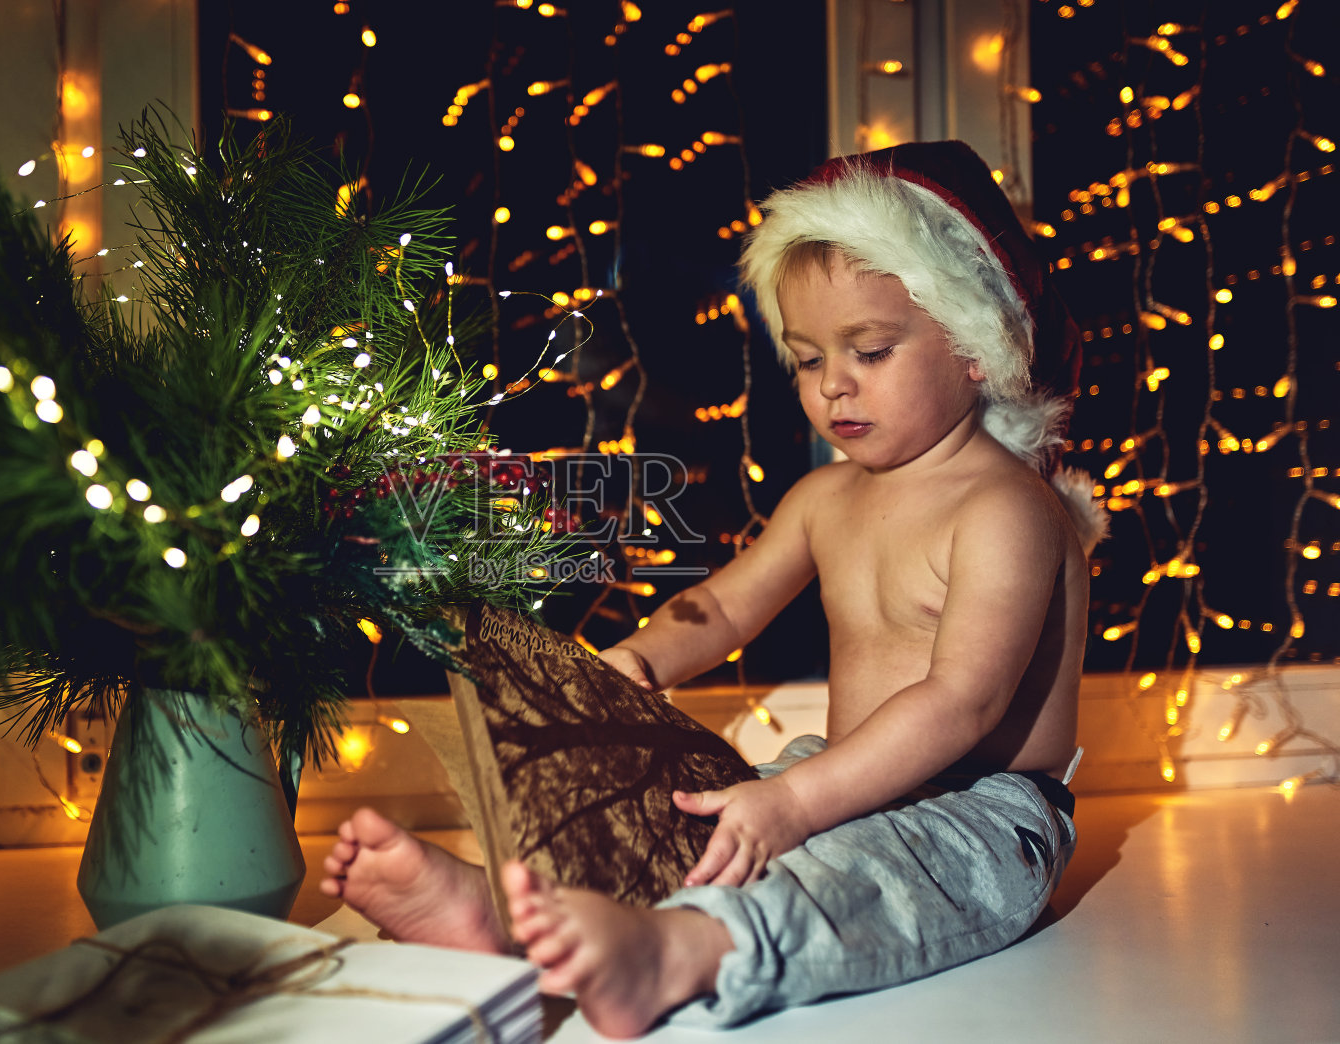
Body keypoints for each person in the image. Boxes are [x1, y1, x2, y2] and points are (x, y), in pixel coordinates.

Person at [320, 140, 1108, 1039]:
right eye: (809, 360)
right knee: (700, 820)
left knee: (854, 878)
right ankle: (503, 915)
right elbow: (727, 607)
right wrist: (632, 664)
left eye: (871, 350)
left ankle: (682, 955)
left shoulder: (1010, 510)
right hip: (839, 770)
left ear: (976, 345)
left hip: (983, 808)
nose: (833, 385)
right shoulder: (825, 498)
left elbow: (963, 703)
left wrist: (800, 804)